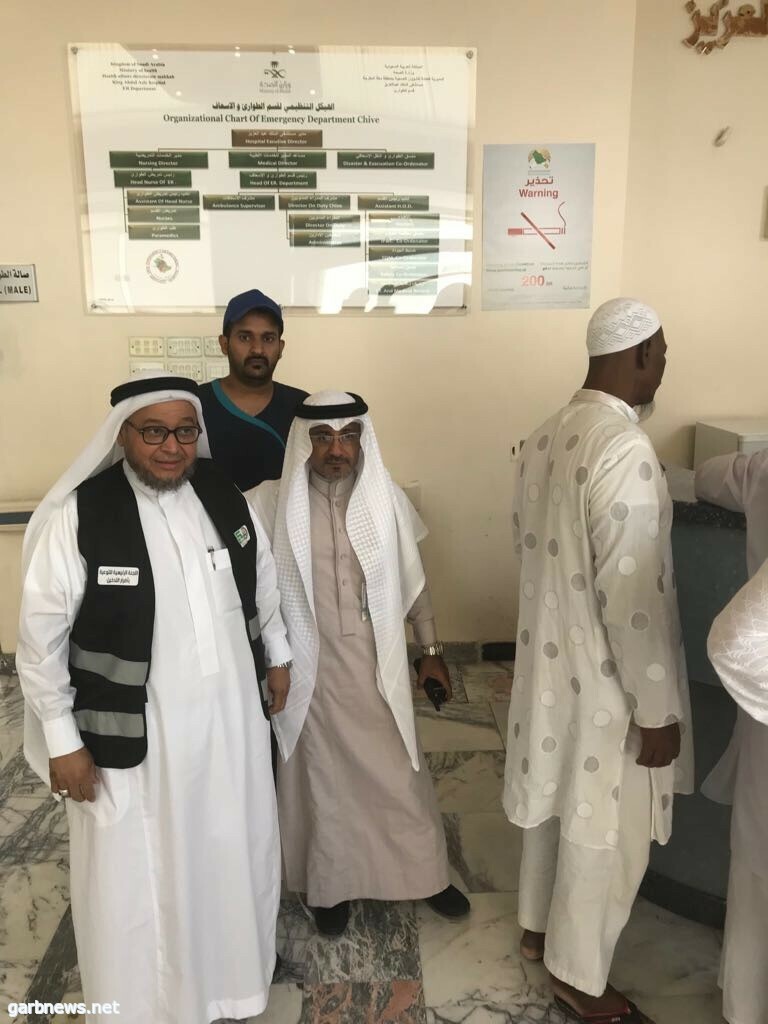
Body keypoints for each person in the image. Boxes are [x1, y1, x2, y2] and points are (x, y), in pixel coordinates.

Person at [16, 371, 293, 1024]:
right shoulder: (83, 514)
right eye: (155, 432)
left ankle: (231, 988)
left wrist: (278, 655)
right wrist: (62, 741)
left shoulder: (224, 496)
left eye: (185, 431)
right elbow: (39, 638)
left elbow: (263, 583)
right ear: (123, 435)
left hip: (230, 727)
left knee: (232, 851)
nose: (172, 447)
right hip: (137, 738)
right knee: (137, 878)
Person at [503, 298, 693, 1024]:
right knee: (606, 827)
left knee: (555, 796)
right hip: (612, 684)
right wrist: (658, 710)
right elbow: (634, 600)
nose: (663, 367)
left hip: (551, 665)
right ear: (640, 353)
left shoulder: (545, 434)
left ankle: (536, 929)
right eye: (662, 354)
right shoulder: (624, 447)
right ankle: (578, 978)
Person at [247, 390, 469, 936]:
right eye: (323, 437)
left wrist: (431, 653)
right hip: (308, 669)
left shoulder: (383, 497)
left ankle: (424, 874)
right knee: (323, 783)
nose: (337, 449)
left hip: (377, 663)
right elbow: (256, 593)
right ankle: (331, 885)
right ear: (304, 443)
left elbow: (414, 582)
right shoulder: (268, 503)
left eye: (349, 436)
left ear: (363, 439)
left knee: (399, 772)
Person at [697, 450, 768, 1024]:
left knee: (754, 867)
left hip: (760, 707)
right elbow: (733, 640)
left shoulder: (761, 469)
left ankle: (743, 1004)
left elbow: (706, 475)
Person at [198, 288, 308, 490]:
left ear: (281, 347)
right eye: (245, 337)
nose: (257, 349)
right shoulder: (195, 405)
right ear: (224, 344)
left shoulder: (303, 408)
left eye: (268, 339)